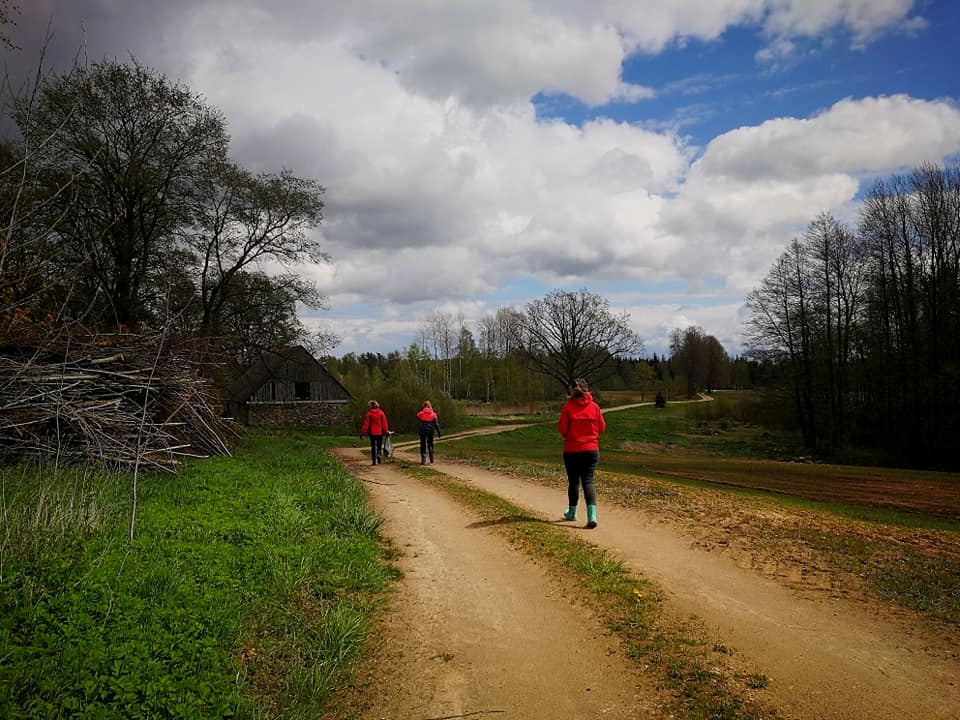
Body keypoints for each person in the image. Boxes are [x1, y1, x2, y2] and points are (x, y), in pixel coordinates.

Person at [557, 378, 605, 528]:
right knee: (588, 481)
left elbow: (562, 429)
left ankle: (572, 512)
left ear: (572, 391)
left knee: (574, 482)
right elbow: (602, 427)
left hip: (572, 450)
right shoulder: (595, 407)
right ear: (587, 389)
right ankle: (592, 516)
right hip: (591, 450)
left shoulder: (567, 407)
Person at [359, 400, 389, 466]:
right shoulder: (381, 413)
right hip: (380, 432)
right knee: (379, 446)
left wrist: (362, 432)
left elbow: (366, 424)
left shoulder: (369, 414)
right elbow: (384, 423)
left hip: (372, 433)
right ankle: (378, 455)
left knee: (373, 446)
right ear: (377, 405)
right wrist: (386, 431)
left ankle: (373, 461)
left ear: (371, 406)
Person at [416, 400, 442, 464]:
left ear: (424, 406)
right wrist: (439, 432)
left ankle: (423, 459)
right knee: (430, 443)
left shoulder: (421, 413)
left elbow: (418, 417)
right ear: (430, 405)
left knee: (423, 444)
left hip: (422, 430)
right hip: (430, 430)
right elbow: (436, 424)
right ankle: (431, 456)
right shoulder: (433, 414)